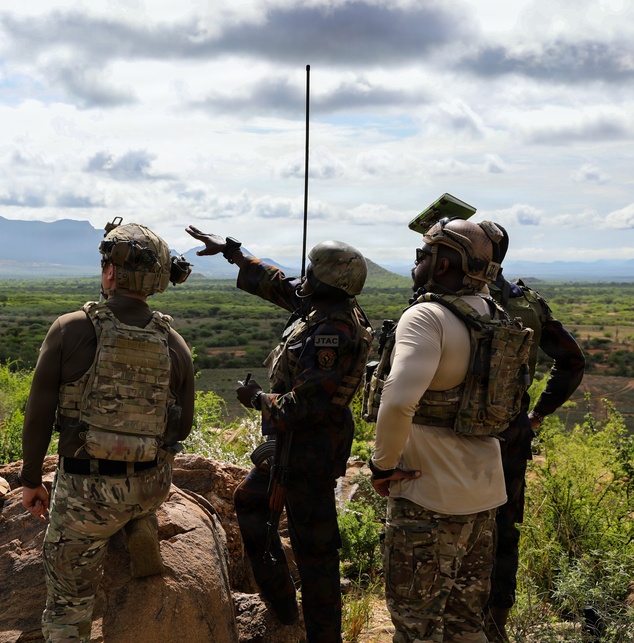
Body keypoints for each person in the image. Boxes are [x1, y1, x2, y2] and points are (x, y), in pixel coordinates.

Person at [186, 225, 373, 643]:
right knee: (251, 500)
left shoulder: (334, 331)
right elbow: (278, 283)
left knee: (315, 553)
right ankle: (283, 606)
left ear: (330, 282)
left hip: (313, 448)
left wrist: (255, 399)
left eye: (311, 272)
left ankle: (324, 635)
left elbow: (306, 407)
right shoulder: (318, 306)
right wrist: (232, 253)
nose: (301, 278)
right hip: (290, 444)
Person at [20, 220, 195, 643]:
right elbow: (181, 428)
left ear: (112, 273)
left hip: (87, 495)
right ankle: (137, 520)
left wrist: (30, 481)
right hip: (150, 485)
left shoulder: (71, 328)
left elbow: (38, 413)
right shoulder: (174, 342)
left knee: (67, 608)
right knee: (134, 494)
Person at [367, 217, 532, 642]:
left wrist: (381, 466)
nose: (416, 264)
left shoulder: (428, 316)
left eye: (422, 255)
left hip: (428, 498)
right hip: (484, 497)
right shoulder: (494, 315)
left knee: (415, 625)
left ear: (443, 264)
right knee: (465, 623)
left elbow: (400, 400)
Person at [480, 221, 585, 642]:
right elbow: (572, 361)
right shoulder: (527, 303)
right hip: (511, 436)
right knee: (505, 530)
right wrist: (535, 415)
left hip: (455, 438)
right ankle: (496, 625)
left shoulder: (451, 303)